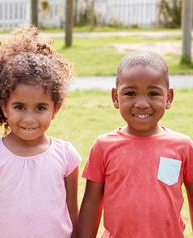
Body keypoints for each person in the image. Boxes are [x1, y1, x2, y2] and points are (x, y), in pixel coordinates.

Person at [0, 26, 81, 238]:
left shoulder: (67, 156)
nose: (29, 119)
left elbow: (72, 211)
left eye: (40, 108)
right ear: (4, 107)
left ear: (54, 109)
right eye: (19, 107)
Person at [78, 51, 193, 238]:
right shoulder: (103, 146)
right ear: (115, 97)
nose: (141, 103)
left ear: (169, 97)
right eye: (130, 93)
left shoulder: (182, 146)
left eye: (153, 93)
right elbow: (91, 205)